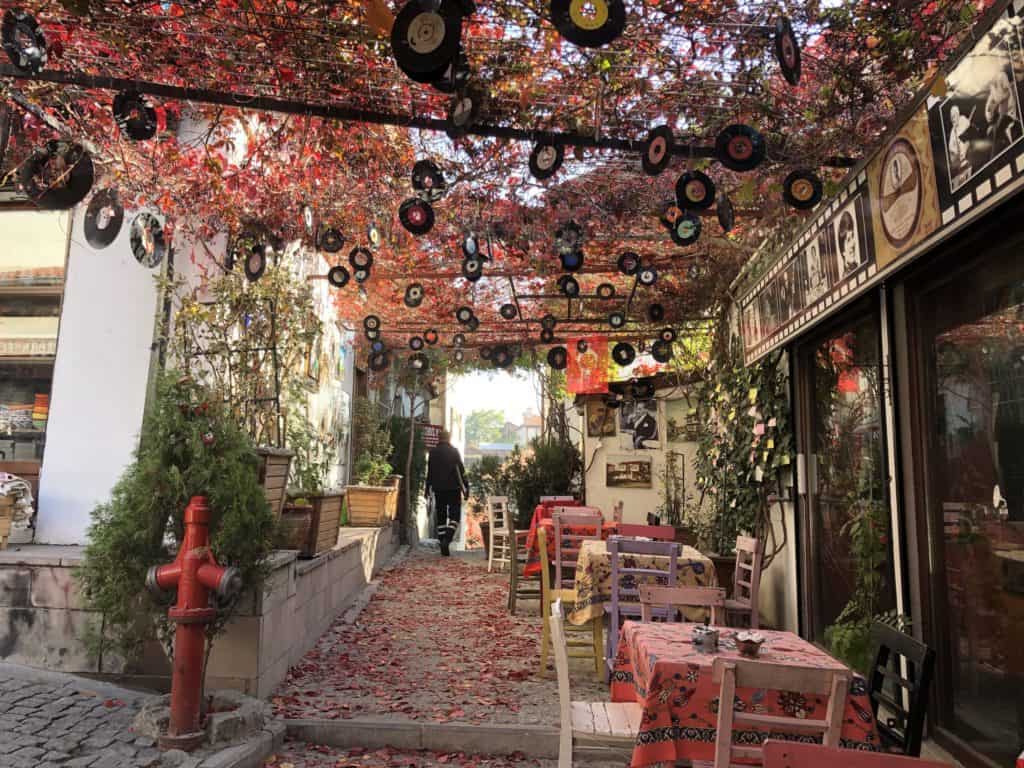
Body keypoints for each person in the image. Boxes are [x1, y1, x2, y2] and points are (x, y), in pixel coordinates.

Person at [425, 429, 469, 556]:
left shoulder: (433, 452)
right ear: (449, 438)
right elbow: (461, 470)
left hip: (438, 488)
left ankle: (442, 540)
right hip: (453, 488)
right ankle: (447, 540)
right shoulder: (454, 451)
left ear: (439, 438)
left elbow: (430, 472)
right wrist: (466, 488)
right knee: (455, 516)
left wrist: (426, 489)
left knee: (441, 515)